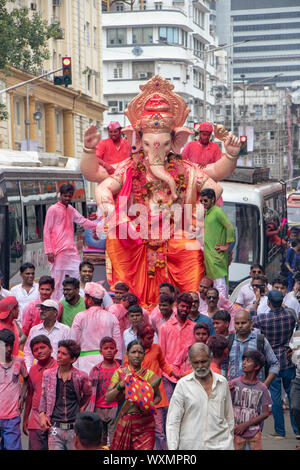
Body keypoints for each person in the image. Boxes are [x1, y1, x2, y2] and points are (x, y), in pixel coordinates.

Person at [166, 342, 234, 450]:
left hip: (221, 445)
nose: (200, 366)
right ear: (190, 362)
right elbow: (173, 422)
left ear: (211, 358)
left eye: (203, 361)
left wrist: (229, 441)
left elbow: (229, 417)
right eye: (196, 363)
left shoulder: (222, 382)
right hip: (191, 447)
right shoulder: (183, 385)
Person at [252, 290, 299, 438]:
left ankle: (280, 431)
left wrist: (257, 301)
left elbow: (251, 317)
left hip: (272, 360)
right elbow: (291, 313)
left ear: (269, 303)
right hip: (287, 357)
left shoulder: (264, 319)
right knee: (292, 397)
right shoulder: (290, 316)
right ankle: (297, 430)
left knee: (276, 397)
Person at [43, 183, 98, 300]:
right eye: (65, 196)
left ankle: (79, 301)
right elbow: (46, 231)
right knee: (58, 281)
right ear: (60, 195)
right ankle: (56, 305)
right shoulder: (53, 209)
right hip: (58, 252)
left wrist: (99, 226)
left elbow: (82, 221)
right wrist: (49, 251)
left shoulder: (71, 210)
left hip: (71, 250)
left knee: (78, 275)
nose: (67, 198)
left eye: (69, 196)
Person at [105, 340, 161, 450]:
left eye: (140, 352)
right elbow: (108, 399)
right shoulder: (120, 373)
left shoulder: (149, 375)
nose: (137, 355)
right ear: (127, 354)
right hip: (125, 422)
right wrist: (120, 385)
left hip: (145, 424)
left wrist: (148, 406)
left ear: (144, 355)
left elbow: (158, 397)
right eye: (133, 352)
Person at [39, 340, 92, 451]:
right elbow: (44, 396)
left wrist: (81, 408)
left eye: (63, 354)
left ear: (72, 359)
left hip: (74, 428)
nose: (59, 356)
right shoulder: (48, 374)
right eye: (58, 352)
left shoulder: (81, 376)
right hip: (55, 427)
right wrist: (42, 416)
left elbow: (88, 393)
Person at [71, 282, 122, 374]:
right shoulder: (112, 317)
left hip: (84, 363)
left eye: (85, 298)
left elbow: (73, 342)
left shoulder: (80, 316)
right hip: (107, 362)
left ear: (89, 300)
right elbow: (117, 344)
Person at [224, 309, 280, 387]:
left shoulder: (260, 341)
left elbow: (275, 364)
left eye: (243, 323)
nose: (240, 326)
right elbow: (222, 364)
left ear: (251, 323)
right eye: (237, 323)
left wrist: (265, 385)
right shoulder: (228, 341)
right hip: (233, 390)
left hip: (255, 391)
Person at [229, 350, 272, 450]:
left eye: (248, 361)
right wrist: (227, 391)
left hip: (254, 432)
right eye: (243, 360)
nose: (243, 363)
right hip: (236, 431)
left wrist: (246, 425)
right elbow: (225, 404)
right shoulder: (233, 384)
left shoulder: (262, 388)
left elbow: (266, 413)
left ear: (256, 367)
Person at [159, 292, 195, 402]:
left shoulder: (194, 328)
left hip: (188, 376)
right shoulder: (165, 327)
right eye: (182, 306)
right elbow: (161, 354)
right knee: (169, 409)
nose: (185, 309)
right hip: (168, 376)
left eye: (188, 307)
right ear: (176, 306)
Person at [23, 335, 57, 450]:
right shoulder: (32, 370)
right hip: (35, 420)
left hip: (56, 419)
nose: (39, 351)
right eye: (35, 350)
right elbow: (30, 394)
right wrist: (25, 418)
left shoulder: (59, 367)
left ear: (51, 349)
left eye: (43, 347)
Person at [200, 188, 235, 297]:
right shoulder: (208, 213)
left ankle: (222, 307)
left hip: (216, 254)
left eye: (205, 200)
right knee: (213, 283)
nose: (203, 203)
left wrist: (227, 246)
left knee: (220, 283)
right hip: (209, 254)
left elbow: (230, 228)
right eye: (201, 201)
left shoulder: (218, 211)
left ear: (213, 200)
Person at [23, 299, 72, 370]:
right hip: (39, 369)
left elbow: (70, 351)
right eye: (41, 309)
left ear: (55, 312)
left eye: (46, 309)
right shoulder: (34, 330)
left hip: (59, 370)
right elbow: (28, 352)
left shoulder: (64, 330)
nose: (43, 311)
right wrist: (28, 368)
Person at [0, 329, 28, 450]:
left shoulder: (19, 361)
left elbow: (27, 379)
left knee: (14, 448)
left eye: (11, 345)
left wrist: (22, 396)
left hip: (12, 416)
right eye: (5, 345)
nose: (8, 349)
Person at [89, 337, 119, 448]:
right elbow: (90, 390)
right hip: (98, 408)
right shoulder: (95, 370)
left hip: (114, 408)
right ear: (101, 351)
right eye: (106, 348)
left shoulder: (120, 370)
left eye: (112, 348)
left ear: (116, 351)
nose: (109, 351)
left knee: (114, 438)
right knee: (100, 439)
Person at [288, 330, 300, 449]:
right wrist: (290, 356)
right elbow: (290, 354)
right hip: (298, 378)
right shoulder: (296, 335)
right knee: (295, 407)